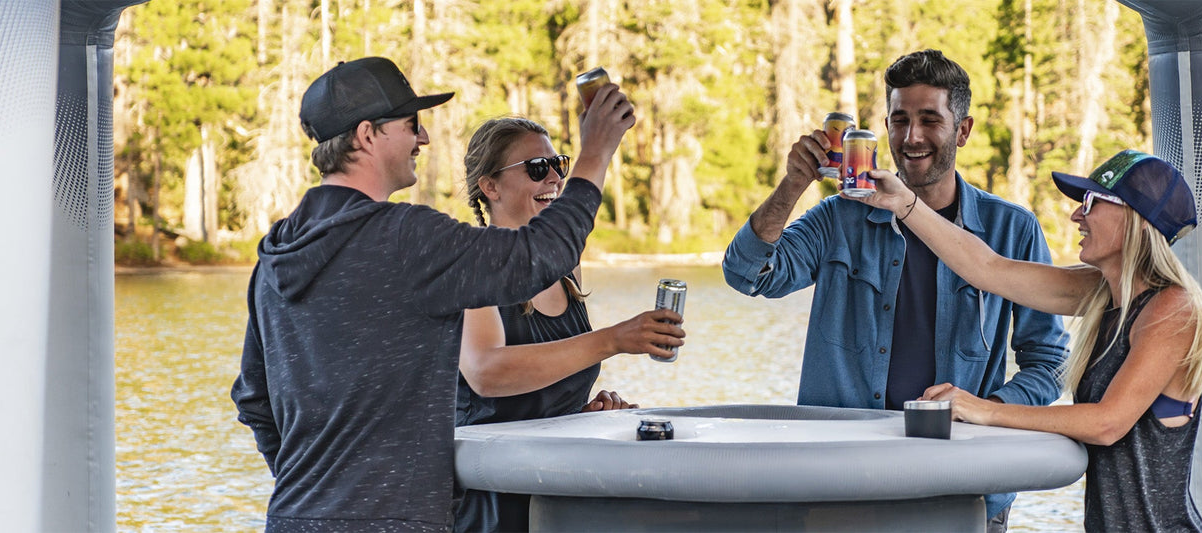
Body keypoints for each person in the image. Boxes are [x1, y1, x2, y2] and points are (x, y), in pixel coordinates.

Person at [230, 56, 635, 532]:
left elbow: (254, 400)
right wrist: (595, 153)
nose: (423, 138)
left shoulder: (275, 252)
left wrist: (319, 494)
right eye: (411, 124)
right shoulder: (406, 238)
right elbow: (540, 254)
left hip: (295, 517)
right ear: (366, 135)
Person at [720, 49, 1068, 531]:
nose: (912, 137)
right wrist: (793, 184)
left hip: (962, 485)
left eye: (930, 120)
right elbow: (747, 274)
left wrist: (991, 412)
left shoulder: (1012, 230)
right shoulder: (839, 217)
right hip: (841, 484)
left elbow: (1050, 360)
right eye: (899, 119)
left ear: (963, 131)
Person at [847, 149, 1202, 532]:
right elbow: (988, 269)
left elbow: (1108, 422)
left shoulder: (1174, 309)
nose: (1076, 215)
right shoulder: (1107, 294)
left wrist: (984, 410)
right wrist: (905, 203)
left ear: (1137, 220)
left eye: (1091, 202)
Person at [451, 117, 685, 532]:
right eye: (537, 168)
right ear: (490, 187)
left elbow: (541, 395)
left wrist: (585, 412)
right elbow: (487, 373)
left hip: (559, 495)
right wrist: (613, 340)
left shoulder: (567, 269)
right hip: (490, 505)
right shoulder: (470, 262)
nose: (556, 177)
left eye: (559, 163)